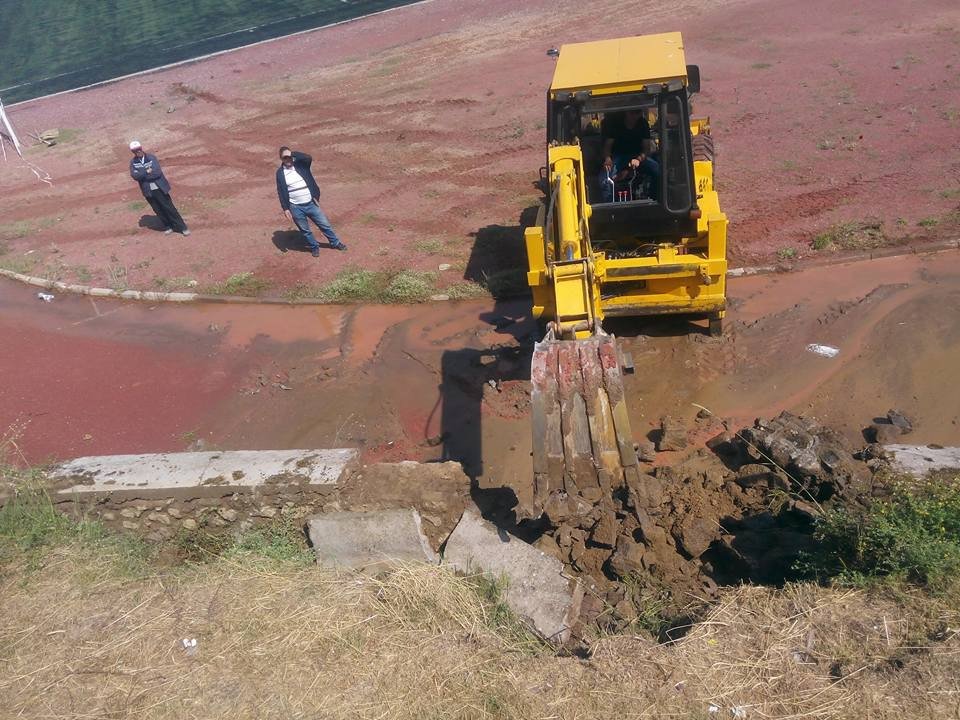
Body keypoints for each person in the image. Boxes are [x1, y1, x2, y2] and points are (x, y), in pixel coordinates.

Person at [275, 146, 346, 256]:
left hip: (310, 203)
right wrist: (285, 208)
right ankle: (314, 247)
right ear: (281, 159)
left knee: (325, 225)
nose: (288, 159)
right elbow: (281, 191)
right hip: (295, 207)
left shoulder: (301, 165)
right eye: (285, 158)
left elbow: (308, 157)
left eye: (289, 157)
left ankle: (335, 242)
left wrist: (291, 153)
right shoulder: (280, 173)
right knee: (305, 230)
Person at [128, 141, 189, 235]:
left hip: (159, 188)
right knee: (158, 209)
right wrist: (147, 172)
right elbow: (135, 176)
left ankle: (182, 227)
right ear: (133, 152)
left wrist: (142, 175)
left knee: (169, 208)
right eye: (135, 151)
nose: (138, 152)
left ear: (141, 148)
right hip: (147, 191)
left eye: (139, 149)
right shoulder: (133, 162)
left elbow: (157, 173)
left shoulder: (151, 158)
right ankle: (169, 226)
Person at [598, 110, 661, 201]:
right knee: (604, 179)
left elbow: (646, 149)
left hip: (638, 156)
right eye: (632, 113)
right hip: (618, 156)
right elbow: (608, 146)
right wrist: (607, 159)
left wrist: (638, 159)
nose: (635, 116)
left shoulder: (643, 124)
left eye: (638, 113)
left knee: (658, 171)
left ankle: (655, 199)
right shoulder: (616, 124)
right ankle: (610, 204)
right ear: (626, 113)